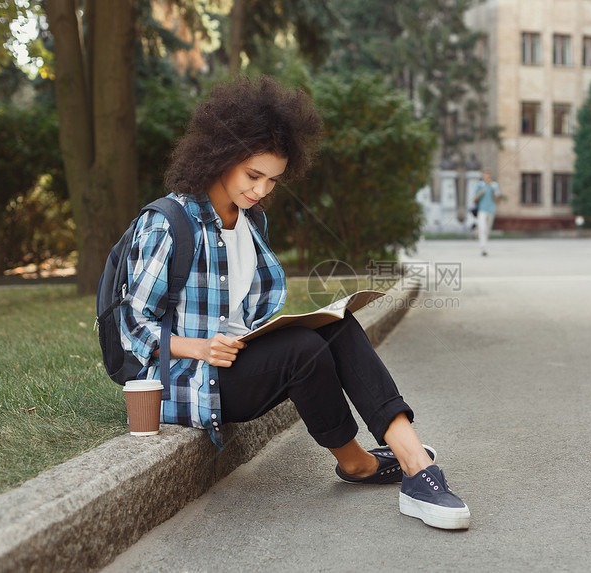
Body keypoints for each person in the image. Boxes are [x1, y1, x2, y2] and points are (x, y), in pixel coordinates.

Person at [119, 76, 470, 530]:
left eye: (272, 180)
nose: (262, 190)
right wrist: (200, 348)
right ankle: (359, 464)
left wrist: (281, 326)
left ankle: (416, 464)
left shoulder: (251, 221)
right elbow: (133, 323)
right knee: (303, 352)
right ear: (222, 155)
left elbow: (249, 312)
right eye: (253, 175)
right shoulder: (168, 223)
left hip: (237, 363)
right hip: (192, 381)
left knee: (336, 325)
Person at [472, 169, 502, 256]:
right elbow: (474, 199)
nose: (487, 177)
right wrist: (480, 193)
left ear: (490, 176)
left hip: (491, 210)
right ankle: (483, 248)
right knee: (483, 229)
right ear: (483, 176)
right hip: (482, 210)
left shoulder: (495, 185)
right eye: (485, 175)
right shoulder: (480, 185)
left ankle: (483, 243)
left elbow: (497, 198)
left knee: (487, 230)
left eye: (488, 176)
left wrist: (492, 188)